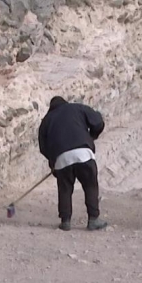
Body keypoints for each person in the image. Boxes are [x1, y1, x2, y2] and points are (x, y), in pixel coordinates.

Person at [38, 96, 108, 231]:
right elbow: (98, 121)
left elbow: (43, 147)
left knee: (64, 189)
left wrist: (54, 162)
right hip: (83, 153)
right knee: (90, 186)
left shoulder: (46, 121)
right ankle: (93, 219)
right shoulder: (77, 108)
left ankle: (65, 221)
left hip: (62, 159)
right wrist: (92, 136)